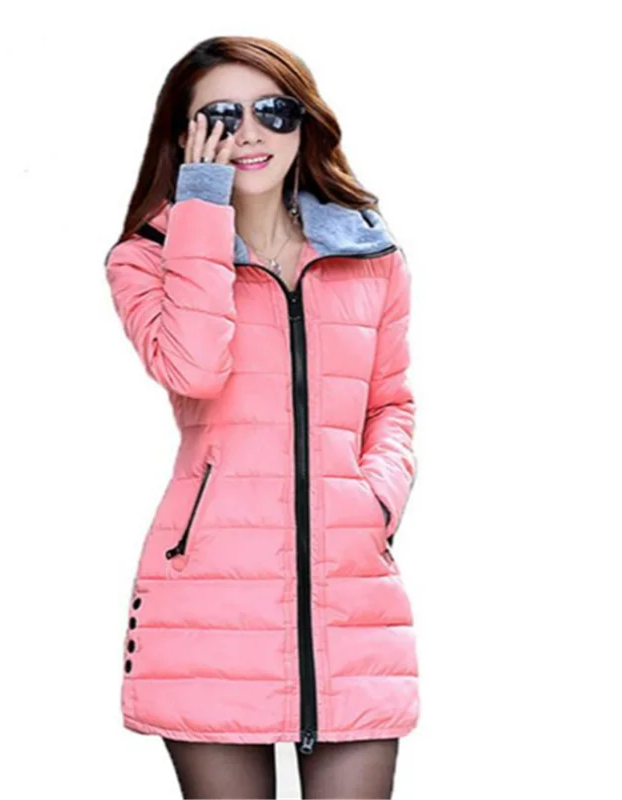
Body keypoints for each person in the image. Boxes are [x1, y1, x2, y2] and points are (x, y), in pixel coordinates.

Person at [103, 35, 418, 800]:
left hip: (350, 599)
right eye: (220, 117)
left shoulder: (369, 256)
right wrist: (202, 205)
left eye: (273, 111)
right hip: (208, 602)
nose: (249, 133)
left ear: (304, 123)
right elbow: (195, 368)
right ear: (183, 136)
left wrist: (374, 500)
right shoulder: (145, 259)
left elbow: (390, 404)